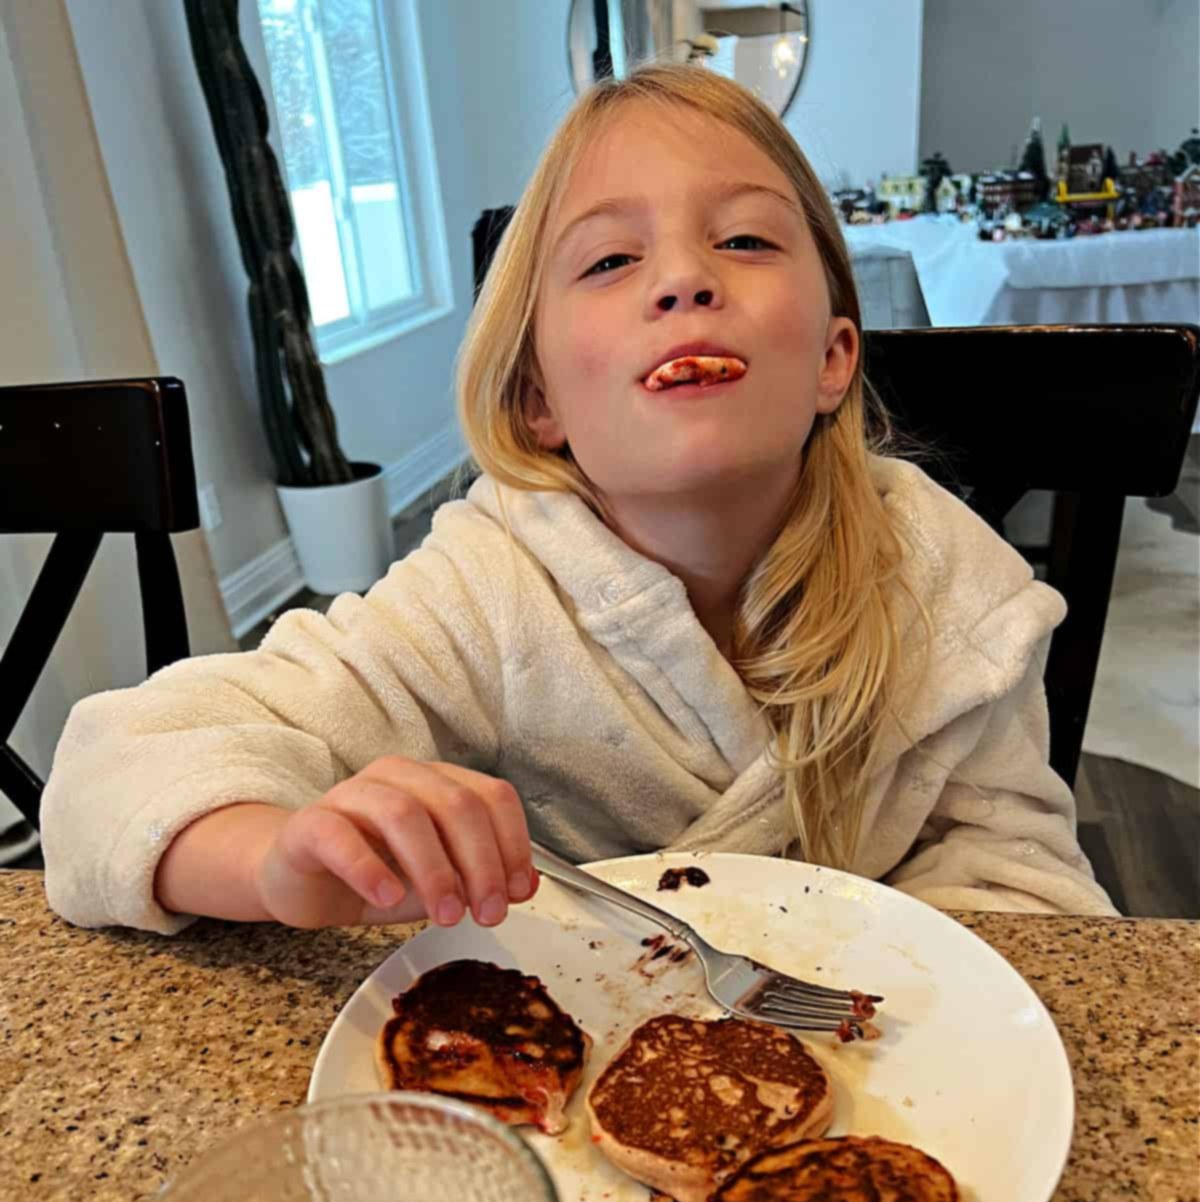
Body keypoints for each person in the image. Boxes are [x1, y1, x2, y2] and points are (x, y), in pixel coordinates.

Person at [40, 64, 1114, 935]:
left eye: (744, 239)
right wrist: (275, 859)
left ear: (835, 358)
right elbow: (108, 770)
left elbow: (1025, 887)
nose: (686, 280)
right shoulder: (494, 591)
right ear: (539, 395)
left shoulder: (946, 580)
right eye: (608, 259)